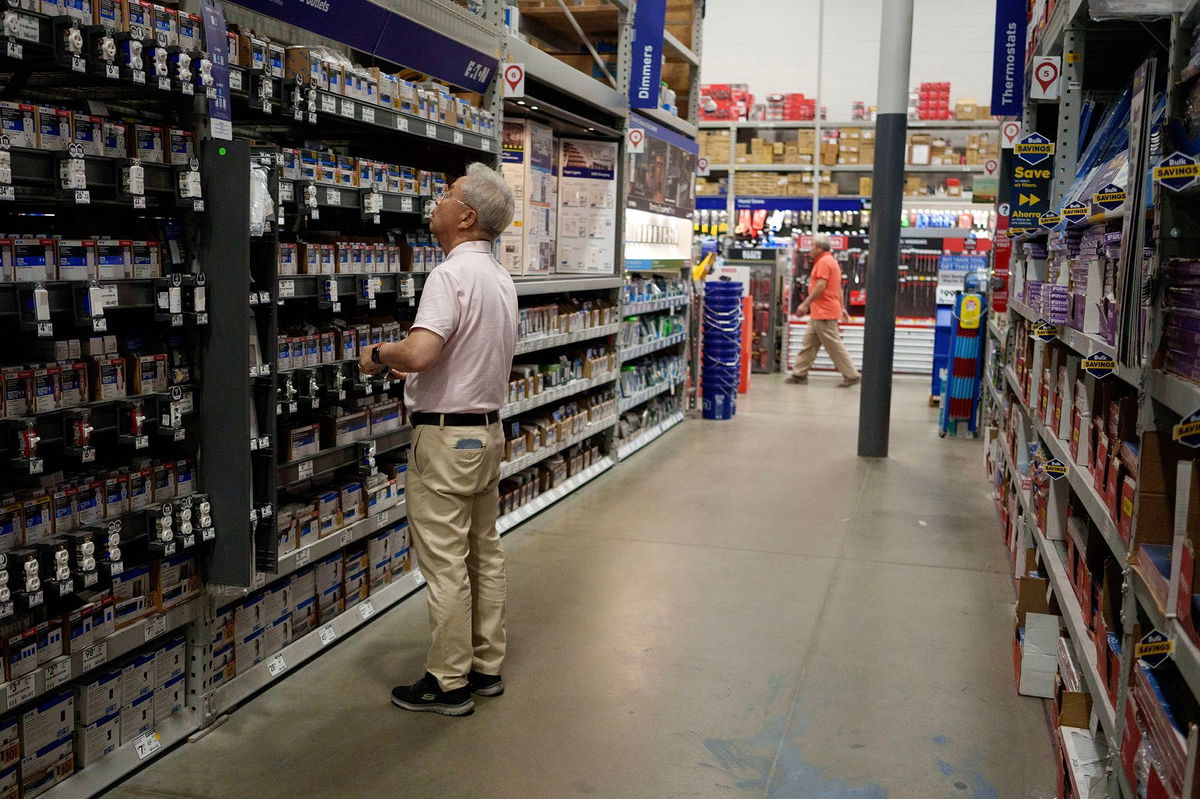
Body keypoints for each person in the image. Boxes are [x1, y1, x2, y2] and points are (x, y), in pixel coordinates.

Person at [358, 162, 517, 717]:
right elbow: (466, 356)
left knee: (446, 564)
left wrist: (380, 356)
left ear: (466, 216)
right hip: (488, 432)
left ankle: (447, 683)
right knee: (484, 553)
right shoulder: (500, 278)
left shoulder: (449, 276)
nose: (437, 202)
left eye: (446, 196)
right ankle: (484, 666)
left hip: (446, 441)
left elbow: (422, 352)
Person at [786, 233, 861, 387]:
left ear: (820, 248)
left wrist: (805, 304)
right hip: (819, 312)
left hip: (824, 312)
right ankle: (799, 374)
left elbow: (821, 286)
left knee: (834, 345)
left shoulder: (824, 262)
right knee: (809, 344)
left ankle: (852, 375)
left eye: (813, 246)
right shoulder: (830, 261)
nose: (810, 250)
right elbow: (838, 287)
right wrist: (842, 307)